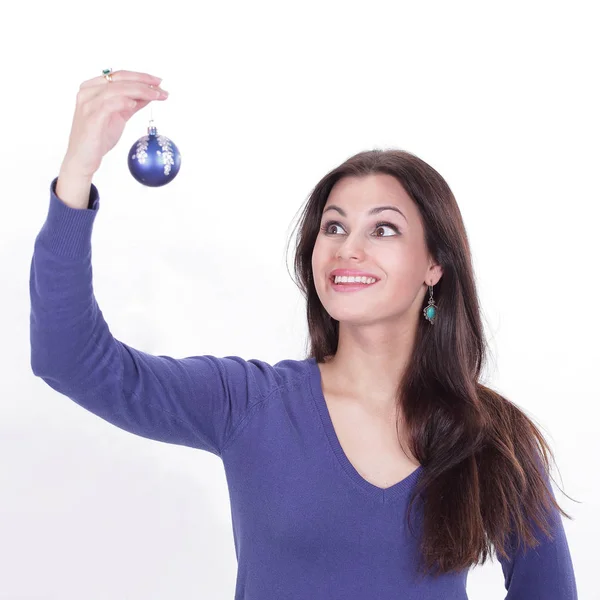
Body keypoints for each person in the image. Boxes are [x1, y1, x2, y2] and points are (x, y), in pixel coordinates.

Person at [29, 68, 578, 599]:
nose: (348, 248)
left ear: (435, 264)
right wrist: (78, 171)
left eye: (383, 228)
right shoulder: (250, 403)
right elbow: (70, 359)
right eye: (333, 226)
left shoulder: (494, 435)